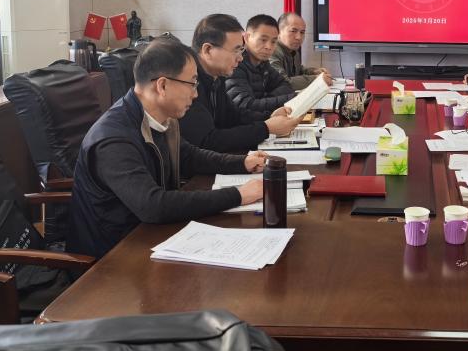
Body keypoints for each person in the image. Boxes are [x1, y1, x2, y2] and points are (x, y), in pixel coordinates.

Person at [67, 37, 267, 258]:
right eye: (192, 84)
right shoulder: (113, 139)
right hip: (113, 257)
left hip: (152, 236)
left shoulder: (161, 118)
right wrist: (238, 195)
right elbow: (152, 205)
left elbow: (188, 156)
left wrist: (242, 162)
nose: (196, 94)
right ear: (162, 85)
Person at [181, 13, 301, 153]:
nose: (240, 58)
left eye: (241, 50)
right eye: (235, 50)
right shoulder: (187, 83)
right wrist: (266, 128)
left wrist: (270, 117)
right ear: (208, 50)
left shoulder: (216, 75)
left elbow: (234, 115)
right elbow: (207, 141)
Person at [225, 14, 296, 121]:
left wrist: (263, 100)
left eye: (273, 41)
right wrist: (292, 98)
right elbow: (245, 105)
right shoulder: (235, 64)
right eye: (263, 40)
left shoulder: (263, 63)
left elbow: (286, 86)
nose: (269, 47)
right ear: (247, 37)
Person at [270, 12, 333, 91]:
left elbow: (298, 71)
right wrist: (316, 79)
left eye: (302, 32)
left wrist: (314, 71)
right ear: (278, 32)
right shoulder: (270, 52)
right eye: (293, 31)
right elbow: (282, 83)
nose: (299, 37)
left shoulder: (294, 51)